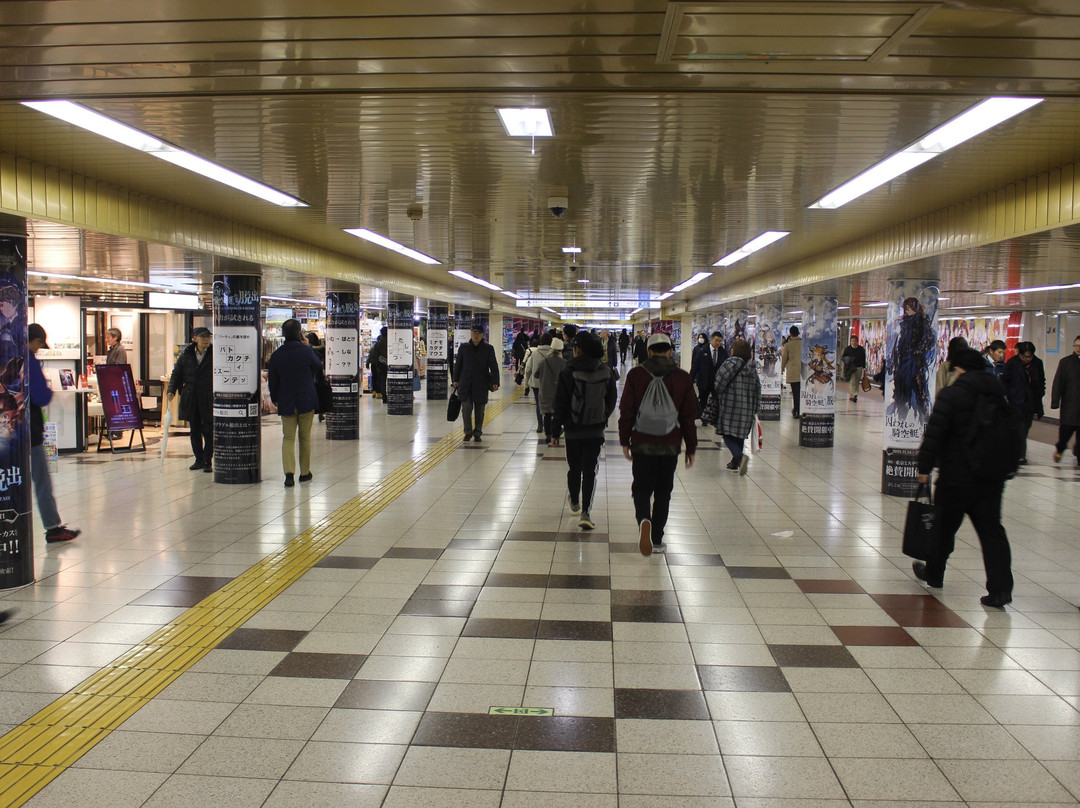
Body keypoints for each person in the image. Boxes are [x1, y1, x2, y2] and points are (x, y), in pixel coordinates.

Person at [913, 348, 1014, 608]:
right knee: (992, 534)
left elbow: (935, 435)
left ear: (959, 369)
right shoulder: (998, 394)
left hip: (956, 478)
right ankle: (1001, 590)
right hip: (990, 480)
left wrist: (924, 468)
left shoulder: (952, 395)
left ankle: (934, 574)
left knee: (943, 530)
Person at [619, 332, 696, 555]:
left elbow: (627, 410)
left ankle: (644, 519)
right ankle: (658, 538)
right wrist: (690, 447)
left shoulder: (636, 375)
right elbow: (688, 416)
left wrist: (625, 440)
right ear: (670, 351)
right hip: (670, 444)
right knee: (664, 492)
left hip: (642, 442)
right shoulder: (682, 377)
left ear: (649, 351)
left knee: (641, 489)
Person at [553, 331, 617, 531]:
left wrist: (556, 430)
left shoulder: (567, 370)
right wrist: (602, 417)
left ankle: (574, 500)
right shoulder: (605, 370)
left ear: (578, 349)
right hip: (595, 430)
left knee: (574, 467)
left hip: (573, 429)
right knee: (590, 470)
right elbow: (612, 400)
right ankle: (586, 513)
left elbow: (560, 402)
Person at [27, 324, 80, 542]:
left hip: (8, 430)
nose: (39, 349)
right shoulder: (28, 360)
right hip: (29, 429)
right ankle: (53, 527)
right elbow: (40, 396)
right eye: (39, 344)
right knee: (41, 479)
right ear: (33, 340)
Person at [268, 319, 322, 487]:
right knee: (305, 437)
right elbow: (319, 367)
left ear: (283, 334)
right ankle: (305, 473)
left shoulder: (277, 355)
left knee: (288, 437)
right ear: (300, 333)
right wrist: (309, 347)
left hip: (286, 401)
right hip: (306, 399)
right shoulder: (306, 352)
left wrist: (275, 397)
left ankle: (289, 474)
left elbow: (273, 381)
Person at [711, 338, 761, 475]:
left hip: (730, 406)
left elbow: (719, 384)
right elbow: (758, 389)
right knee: (739, 436)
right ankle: (735, 462)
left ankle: (739, 457)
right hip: (747, 408)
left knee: (727, 434)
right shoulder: (752, 368)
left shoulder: (729, 364)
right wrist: (756, 408)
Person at [167, 326, 214, 472]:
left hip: (208, 396)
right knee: (194, 430)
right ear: (194, 338)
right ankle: (198, 459)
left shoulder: (215, 354)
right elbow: (177, 375)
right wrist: (171, 390)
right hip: (191, 397)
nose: (206, 339)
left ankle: (207, 460)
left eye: (208, 336)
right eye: (202, 337)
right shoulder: (186, 355)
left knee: (209, 430)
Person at [453, 324, 500, 441]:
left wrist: (495, 381)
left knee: (480, 410)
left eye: (478, 333)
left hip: (481, 383)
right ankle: (467, 431)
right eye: (474, 332)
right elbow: (458, 365)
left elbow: (494, 366)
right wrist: (455, 379)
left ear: (483, 335)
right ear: (471, 333)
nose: (476, 335)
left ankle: (478, 432)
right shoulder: (464, 347)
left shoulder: (488, 349)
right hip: (465, 383)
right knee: (466, 409)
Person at [1002, 341, 1045, 465]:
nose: (1027, 359)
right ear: (1019, 354)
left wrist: (1040, 394)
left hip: (1030, 402)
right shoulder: (1012, 363)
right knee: (1019, 428)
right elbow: (1005, 381)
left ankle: (1017, 451)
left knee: (1025, 428)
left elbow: (1042, 381)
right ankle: (1021, 455)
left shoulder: (1037, 363)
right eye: (1025, 356)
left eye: (1030, 356)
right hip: (1015, 401)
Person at [1051, 334, 1080, 466]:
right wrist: (1055, 401)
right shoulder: (1065, 362)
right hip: (1070, 405)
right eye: (1076, 345)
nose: (1078, 348)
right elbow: (1058, 383)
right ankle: (1060, 448)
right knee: (1065, 432)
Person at [535, 338, 566, 446]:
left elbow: (536, 374)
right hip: (559, 392)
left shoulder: (544, 361)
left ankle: (548, 433)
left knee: (547, 413)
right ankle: (556, 431)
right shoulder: (564, 363)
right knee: (557, 413)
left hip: (545, 390)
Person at [523, 333, 554, 433]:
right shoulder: (554, 353)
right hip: (550, 384)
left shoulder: (535, 353)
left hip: (536, 383)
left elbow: (528, 368)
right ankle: (549, 423)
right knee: (550, 404)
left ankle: (540, 425)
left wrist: (526, 382)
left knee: (538, 404)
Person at [780, 326, 802, 417]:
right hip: (803, 371)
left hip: (793, 370)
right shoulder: (803, 343)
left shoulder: (788, 345)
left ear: (790, 333)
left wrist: (781, 369)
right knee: (801, 392)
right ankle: (801, 409)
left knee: (795, 392)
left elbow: (784, 358)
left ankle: (796, 410)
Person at [840, 335, 866, 402]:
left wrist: (864, 367)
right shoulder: (848, 349)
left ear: (857, 342)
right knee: (852, 381)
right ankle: (853, 394)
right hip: (851, 367)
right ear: (850, 342)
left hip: (859, 367)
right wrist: (849, 360)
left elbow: (863, 358)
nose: (853, 342)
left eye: (855, 341)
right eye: (852, 341)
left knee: (857, 381)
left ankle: (855, 394)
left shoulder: (861, 349)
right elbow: (843, 357)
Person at [368, 326, 388, 402]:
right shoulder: (391, 343)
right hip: (390, 366)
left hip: (381, 366)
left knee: (382, 382)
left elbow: (375, 356)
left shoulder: (377, 344)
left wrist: (377, 366)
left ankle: (384, 396)